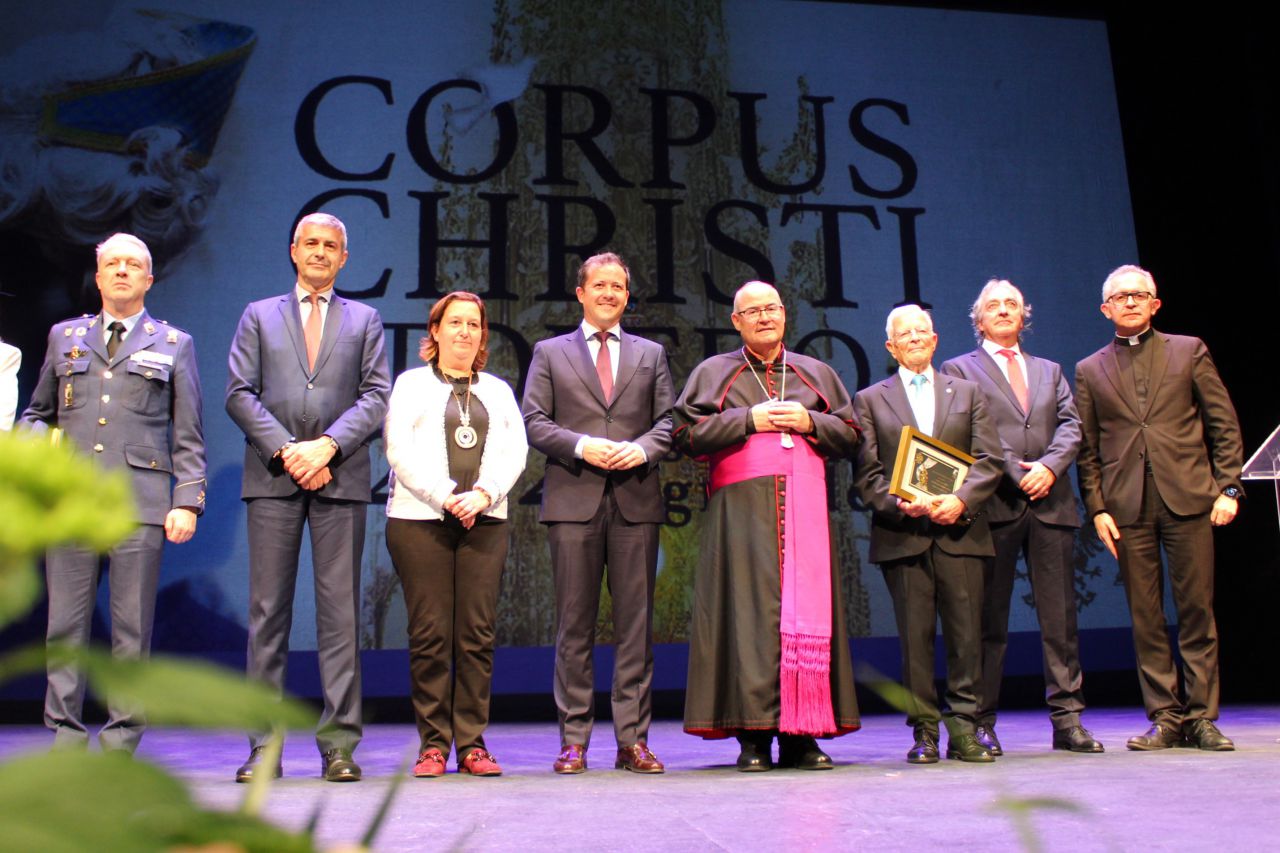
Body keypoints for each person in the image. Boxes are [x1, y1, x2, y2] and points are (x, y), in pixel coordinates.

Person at [20, 232, 206, 751]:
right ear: (98, 276)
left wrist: (186, 500)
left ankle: (122, 738)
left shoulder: (174, 344)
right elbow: (39, 413)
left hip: (140, 502)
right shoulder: (65, 337)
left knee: (131, 632)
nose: (122, 271)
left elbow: (188, 432)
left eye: (133, 264)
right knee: (66, 628)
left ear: (149, 278)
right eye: (113, 264)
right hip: (74, 504)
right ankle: (64, 736)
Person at [225, 212, 391, 782]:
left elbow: (375, 397)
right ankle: (262, 746)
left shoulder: (365, 319)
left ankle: (339, 745)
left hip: (338, 480)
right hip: (273, 478)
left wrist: (326, 448)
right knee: (267, 614)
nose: (320, 252)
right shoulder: (258, 315)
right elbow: (240, 394)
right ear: (293, 250)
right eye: (311, 243)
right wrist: (288, 451)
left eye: (331, 246)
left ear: (344, 258)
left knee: (340, 616)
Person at [673, 280, 861, 772]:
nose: (764, 317)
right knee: (747, 618)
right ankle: (753, 736)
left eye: (771, 309)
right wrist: (747, 419)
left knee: (805, 616)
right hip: (740, 514)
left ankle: (802, 735)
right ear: (735, 322)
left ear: (784, 314)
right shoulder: (714, 373)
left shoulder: (815, 372)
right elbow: (685, 436)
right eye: (751, 311)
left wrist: (810, 422)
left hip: (806, 511)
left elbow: (852, 434)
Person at [1075, 264, 1243, 751]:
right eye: (1120, 297)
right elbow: (1087, 449)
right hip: (1127, 508)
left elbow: (1223, 425)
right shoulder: (1089, 369)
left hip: (1190, 499)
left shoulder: (1189, 350)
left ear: (1156, 303)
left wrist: (1228, 488)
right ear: (1105, 309)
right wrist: (1098, 508)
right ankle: (1165, 717)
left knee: (1196, 612)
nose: (1130, 302)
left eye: (1139, 295)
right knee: (1146, 617)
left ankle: (1202, 717)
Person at [521, 252, 674, 774]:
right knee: (574, 625)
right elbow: (535, 421)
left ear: (627, 296)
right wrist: (583, 446)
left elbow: (669, 422)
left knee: (636, 626)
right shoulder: (549, 352)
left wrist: (645, 450)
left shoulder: (651, 354)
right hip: (573, 499)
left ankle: (632, 740)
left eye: (618, 286)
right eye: (599, 285)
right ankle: (574, 740)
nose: (609, 293)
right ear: (580, 293)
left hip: (635, 500)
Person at [939, 280, 1102, 754]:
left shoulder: (1050, 370)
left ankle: (1068, 720)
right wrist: (1014, 469)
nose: (1005, 310)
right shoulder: (959, 369)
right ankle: (982, 719)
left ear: (1024, 315)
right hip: (996, 506)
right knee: (988, 620)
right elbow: (967, 430)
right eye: (994, 305)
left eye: (1012, 304)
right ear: (979, 318)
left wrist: (1049, 467)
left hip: (1051, 505)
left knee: (1061, 621)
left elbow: (1073, 425)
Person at [384, 292, 527, 778]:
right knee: (429, 634)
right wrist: (447, 496)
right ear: (437, 330)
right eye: (455, 323)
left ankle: (472, 743)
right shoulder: (411, 385)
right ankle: (433, 744)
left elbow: (516, 452)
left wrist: (482, 495)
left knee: (475, 635)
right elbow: (398, 450)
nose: (465, 331)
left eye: (473, 324)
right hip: (419, 521)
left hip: (484, 521)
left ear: (482, 335)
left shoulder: (499, 390)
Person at [853, 304, 1002, 763]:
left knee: (966, 637)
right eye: (905, 333)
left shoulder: (970, 392)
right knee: (915, 640)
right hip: (904, 536)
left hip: (961, 531)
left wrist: (959, 501)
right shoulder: (870, 399)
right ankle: (924, 732)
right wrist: (900, 504)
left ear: (935, 341)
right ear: (890, 346)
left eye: (923, 331)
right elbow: (866, 474)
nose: (915, 338)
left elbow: (989, 459)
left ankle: (966, 728)